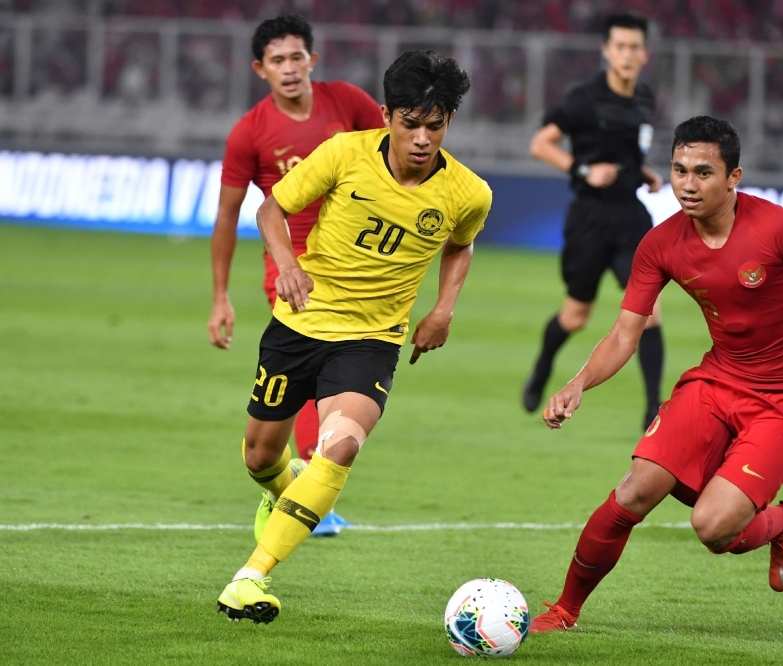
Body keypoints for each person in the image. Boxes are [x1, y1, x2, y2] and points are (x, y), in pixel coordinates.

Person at [529, 116, 783, 633]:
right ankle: (564, 611)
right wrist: (576, 382)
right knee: (634, 490)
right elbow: (623, 336)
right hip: (718, 383)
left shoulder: (779, 228)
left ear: (734, 177)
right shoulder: (660, 245)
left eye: (703, 172)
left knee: (713, 527)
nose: (687, 184)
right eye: (679, 170)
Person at [216, 50, 491, 624]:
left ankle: (250, 577)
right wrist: (288, 263)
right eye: (409, 123)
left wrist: (443, 309)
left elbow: (460, 245)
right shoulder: (345, 153)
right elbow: (272, 209)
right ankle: (281, 488)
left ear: (449, 122)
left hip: (371, 341)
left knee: (339, 446)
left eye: (434, 125)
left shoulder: (469, 193)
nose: (421, 138)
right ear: (388, 115)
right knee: (260, 456)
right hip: (299, 326)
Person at [208, 15, 384, 536]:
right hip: (292, 268)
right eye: (277, 61)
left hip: (354, 262)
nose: (289, 69)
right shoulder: (250, 132)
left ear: (313, 59)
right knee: (314, 372)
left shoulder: (348, 103)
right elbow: (227, 216)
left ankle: (301, 484)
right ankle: (310, 487)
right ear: (259, 69)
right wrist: (220, 296)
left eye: (296, 57)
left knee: (338, 373)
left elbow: (390, 154)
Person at [522, 12, 665, 430]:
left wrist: (645, 173)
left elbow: (630, 153)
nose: (626, 54)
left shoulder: (645, 99)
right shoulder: (584, 97)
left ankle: (654, 407)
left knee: (649, 312)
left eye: (634, 47)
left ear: (645, 54)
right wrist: (583, 170)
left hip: (631, 217)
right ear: (606, 51)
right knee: (576, 316)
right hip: (588, 218)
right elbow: (540, 143)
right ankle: (542, 366)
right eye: (619, 46)